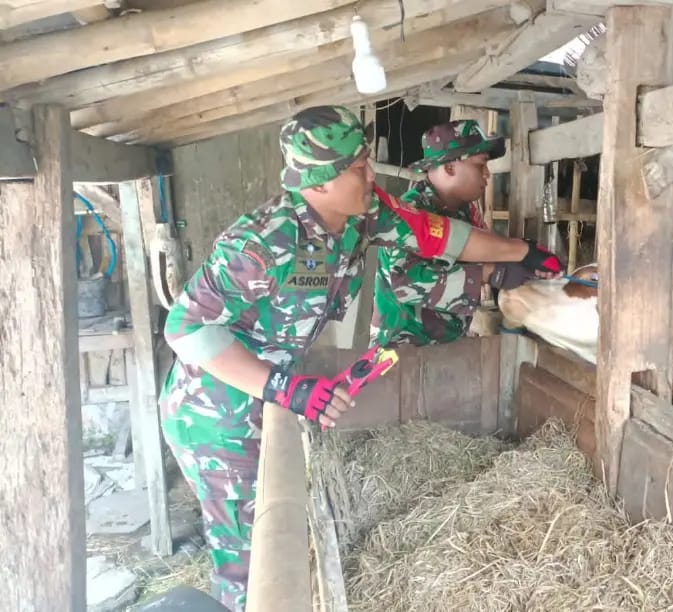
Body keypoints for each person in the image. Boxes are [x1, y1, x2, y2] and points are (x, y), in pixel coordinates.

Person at [157, 105, 564, 612]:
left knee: (288, 527)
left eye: (366, 162)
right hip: (217, 413)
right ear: (321, 182)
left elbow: (437, 234)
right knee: (251, 561)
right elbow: (185, 326)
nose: (370, 176)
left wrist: (518, 252)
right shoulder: (262, 241)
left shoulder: (363, 214)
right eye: (356, 169)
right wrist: (282, 388)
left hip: (273, 394)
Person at [370, 119, 534, 348]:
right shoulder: (409, 213)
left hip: (446, 348)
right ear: (449, 167)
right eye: (480, 165)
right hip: (403, 351)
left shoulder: (464, 210)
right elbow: (406, 283)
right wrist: (490, 273)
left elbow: (480, 254)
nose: (487, 175)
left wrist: (524, 261)